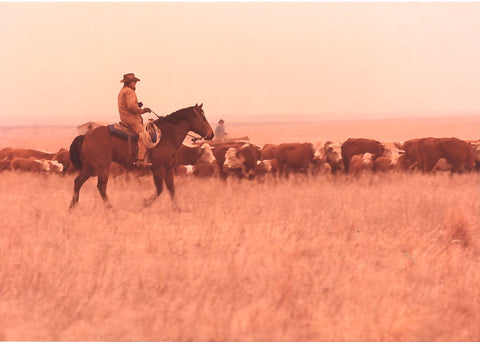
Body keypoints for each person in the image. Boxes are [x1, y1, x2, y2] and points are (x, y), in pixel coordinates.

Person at [118, 73, 152, 167]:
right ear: (130, 82)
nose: (135, 84)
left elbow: (128, 104)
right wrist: (143, 110)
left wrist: (138, 105)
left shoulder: (122, 91)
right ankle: (140, 160)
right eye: (134, 82)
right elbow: (131, 106)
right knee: (144, 136)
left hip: (124, 118)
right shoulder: (130, 92)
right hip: (132, 119)